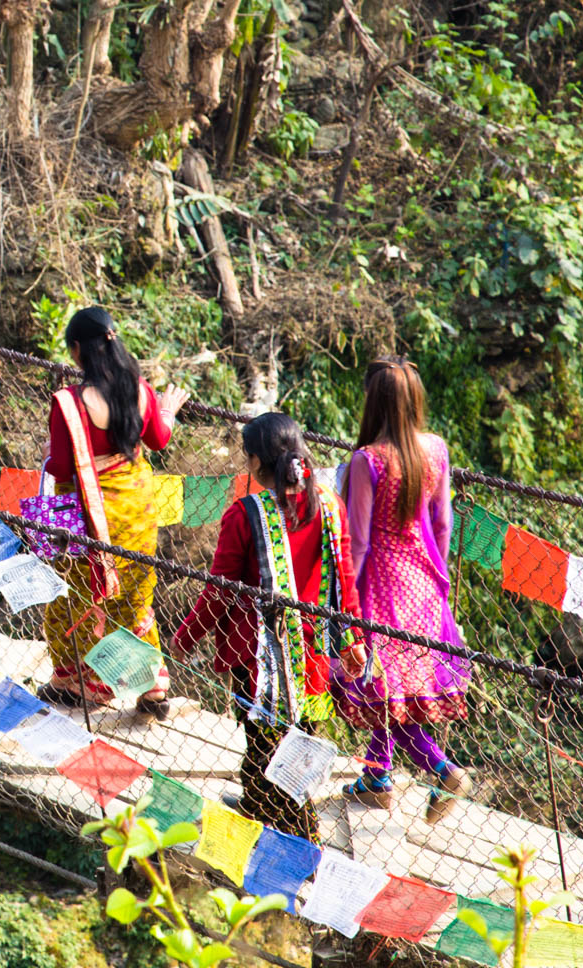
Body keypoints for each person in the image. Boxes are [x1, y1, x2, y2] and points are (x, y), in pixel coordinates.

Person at [172, 413, 364, 839]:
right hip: (312, 656)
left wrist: (186, 636)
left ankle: (291, 839)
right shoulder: (330, 506)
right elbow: (344, 582)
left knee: (264, 751)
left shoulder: (244, 514)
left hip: (257, 660)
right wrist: (353, 641)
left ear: (256, 461)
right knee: (295, 747)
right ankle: (265, 811)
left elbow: (218, 592)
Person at [334, 356, 472, 824]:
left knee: (381, 686)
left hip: (381, 584)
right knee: (399, 692)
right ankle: (377, 776)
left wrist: (343, 600)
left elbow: (359, 538)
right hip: (424, 580)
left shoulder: (367, 460)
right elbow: (443, 523)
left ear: (375, 401)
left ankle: (441, 768)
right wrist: (441, 581)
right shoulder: (435, 450)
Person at [37, 307, 187, 717]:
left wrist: (48, 459)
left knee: (74, 596)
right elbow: (158, 437)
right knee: (134, 599)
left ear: (77, 350)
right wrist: (168, 409)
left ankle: (78, 680)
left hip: (90, 518)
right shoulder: (138, 388)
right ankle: (151, 686)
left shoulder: (70, 403)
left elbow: (64, 468)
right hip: (139, 511)